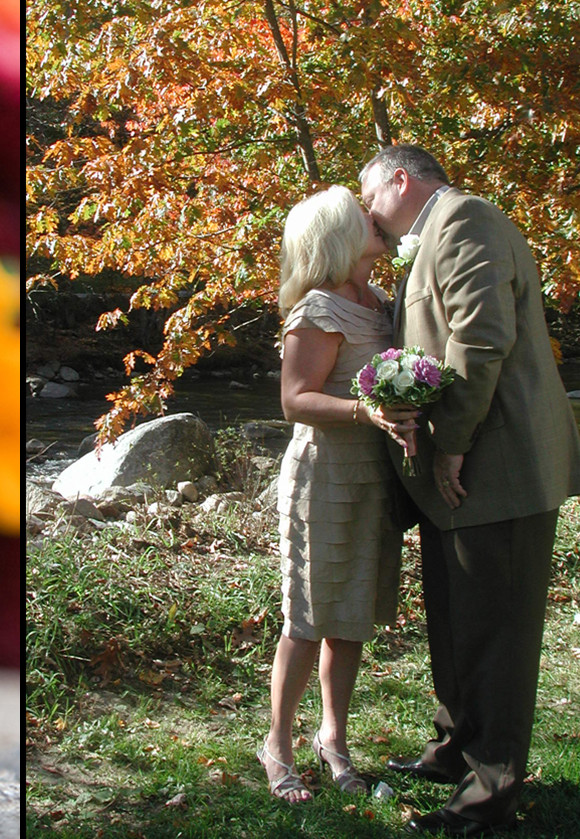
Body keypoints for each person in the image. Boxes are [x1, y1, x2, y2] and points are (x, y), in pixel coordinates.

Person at [358, 145, 580, 834]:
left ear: (401, 178)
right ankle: (454, 752)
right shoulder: (440, 231)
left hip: (497, 465)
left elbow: (480, 340)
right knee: (458, 625)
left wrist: (450, 442)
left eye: (369, 193)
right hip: (462, 474)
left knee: (496, 635)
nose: (367, 211)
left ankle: (488, 799)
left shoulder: (467, 221)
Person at [259, 185, 419, 803]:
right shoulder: (317, 308)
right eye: (361, 216)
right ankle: (278, 744)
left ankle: (334, 739)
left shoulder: (376, 301)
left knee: (349, 617)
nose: (374, 217)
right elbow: (295, 400)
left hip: (371, 477)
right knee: (307, 619)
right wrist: (367, 411)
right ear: (337, 236)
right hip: (323, 477)